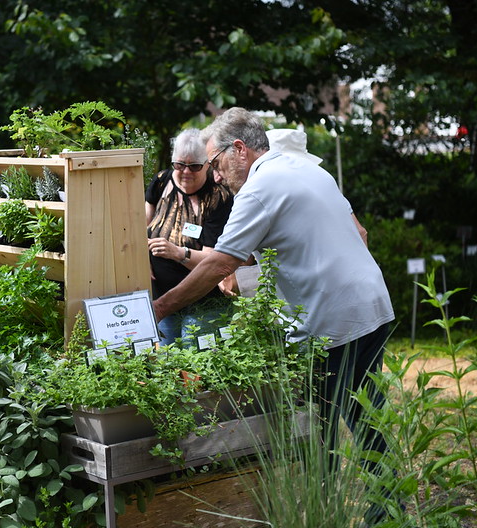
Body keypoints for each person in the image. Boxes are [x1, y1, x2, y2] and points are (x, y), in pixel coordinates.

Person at [152, 108, 395, 501]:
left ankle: (331, 516)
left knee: (324, 427)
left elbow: (220, 262)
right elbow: (360, 233)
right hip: (371, 305)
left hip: (331, 325)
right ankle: (384, 512)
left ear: (239, 150)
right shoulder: (311, 170)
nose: (215, 175)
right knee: (367, 417)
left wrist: (160, 308)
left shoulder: (258, 190)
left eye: (215, 164)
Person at [146, 128, 234, 346]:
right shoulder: (160, 182)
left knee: (195, 359)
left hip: (203, 302)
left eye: (194, 166)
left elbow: (214, 260)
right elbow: (138, 227)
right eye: (179, 165)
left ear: (208, 165)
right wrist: (141, 257)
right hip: (162, 297)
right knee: (167, 359)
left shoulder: (218, 197)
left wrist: (177, 253)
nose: (185, 172)